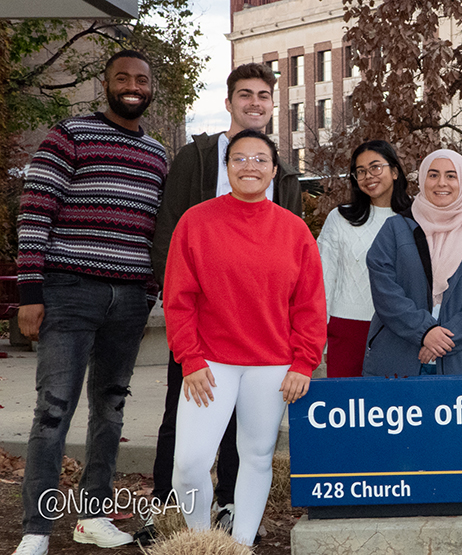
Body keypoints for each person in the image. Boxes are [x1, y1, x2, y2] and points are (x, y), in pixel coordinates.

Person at [13, 50, 169, 555]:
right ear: (105, 85)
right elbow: (35, 212)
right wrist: (30, 293)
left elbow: (157, 233)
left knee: (111, 410)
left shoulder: (160, 155)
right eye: (121, 77)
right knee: (53, 411)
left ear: (150, 89)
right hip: (69, 292)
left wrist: (148, 292)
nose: (131, 85)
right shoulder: (70, 135)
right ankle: (36, 529)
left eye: (140, 79)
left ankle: (92, 516)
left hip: (129, 300)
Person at [144, 62, 300, 542]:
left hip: (266, 350)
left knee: (250, 449)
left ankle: (234, 523)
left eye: (263, 96)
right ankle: (176, 520)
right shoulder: (196, 159)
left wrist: (303, 356)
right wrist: (185, 342)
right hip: (202, 340)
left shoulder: (288, 187)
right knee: (184, 440)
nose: (255, 103)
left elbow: (301, 287)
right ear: (229, 101)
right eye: (245, 94)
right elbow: (170, 236)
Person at [163, 129, 325, 547]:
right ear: (227, 166)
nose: (249, 166)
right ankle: (203, 542)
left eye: (259, 159)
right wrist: (190, 359)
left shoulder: (294, 231)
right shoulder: (195, 223)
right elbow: (179, 299)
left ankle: (241, 544)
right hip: (210, 364)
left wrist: (304, 362)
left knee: (255, 458)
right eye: (239, 158)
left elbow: (309, 304)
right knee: (190, 463)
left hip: (271, 366)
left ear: (273, 170)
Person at [363, 149, 462, 376]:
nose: (442, 183)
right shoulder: (394, 230)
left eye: (451, 176)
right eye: (433, 175)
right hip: (398, 360)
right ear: (422, 179)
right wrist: (425, 331)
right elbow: (385, 291)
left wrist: (443, 339)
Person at [317, 140, 411, 377]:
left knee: (393, 410)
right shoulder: (340, 218)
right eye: (361, 171)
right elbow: (322, 281)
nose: (369, 176)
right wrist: (320, 340)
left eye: (376, 167)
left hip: (401, 330)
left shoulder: (417, 219)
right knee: (345, 409)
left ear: (395, 171)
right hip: (347, 328)